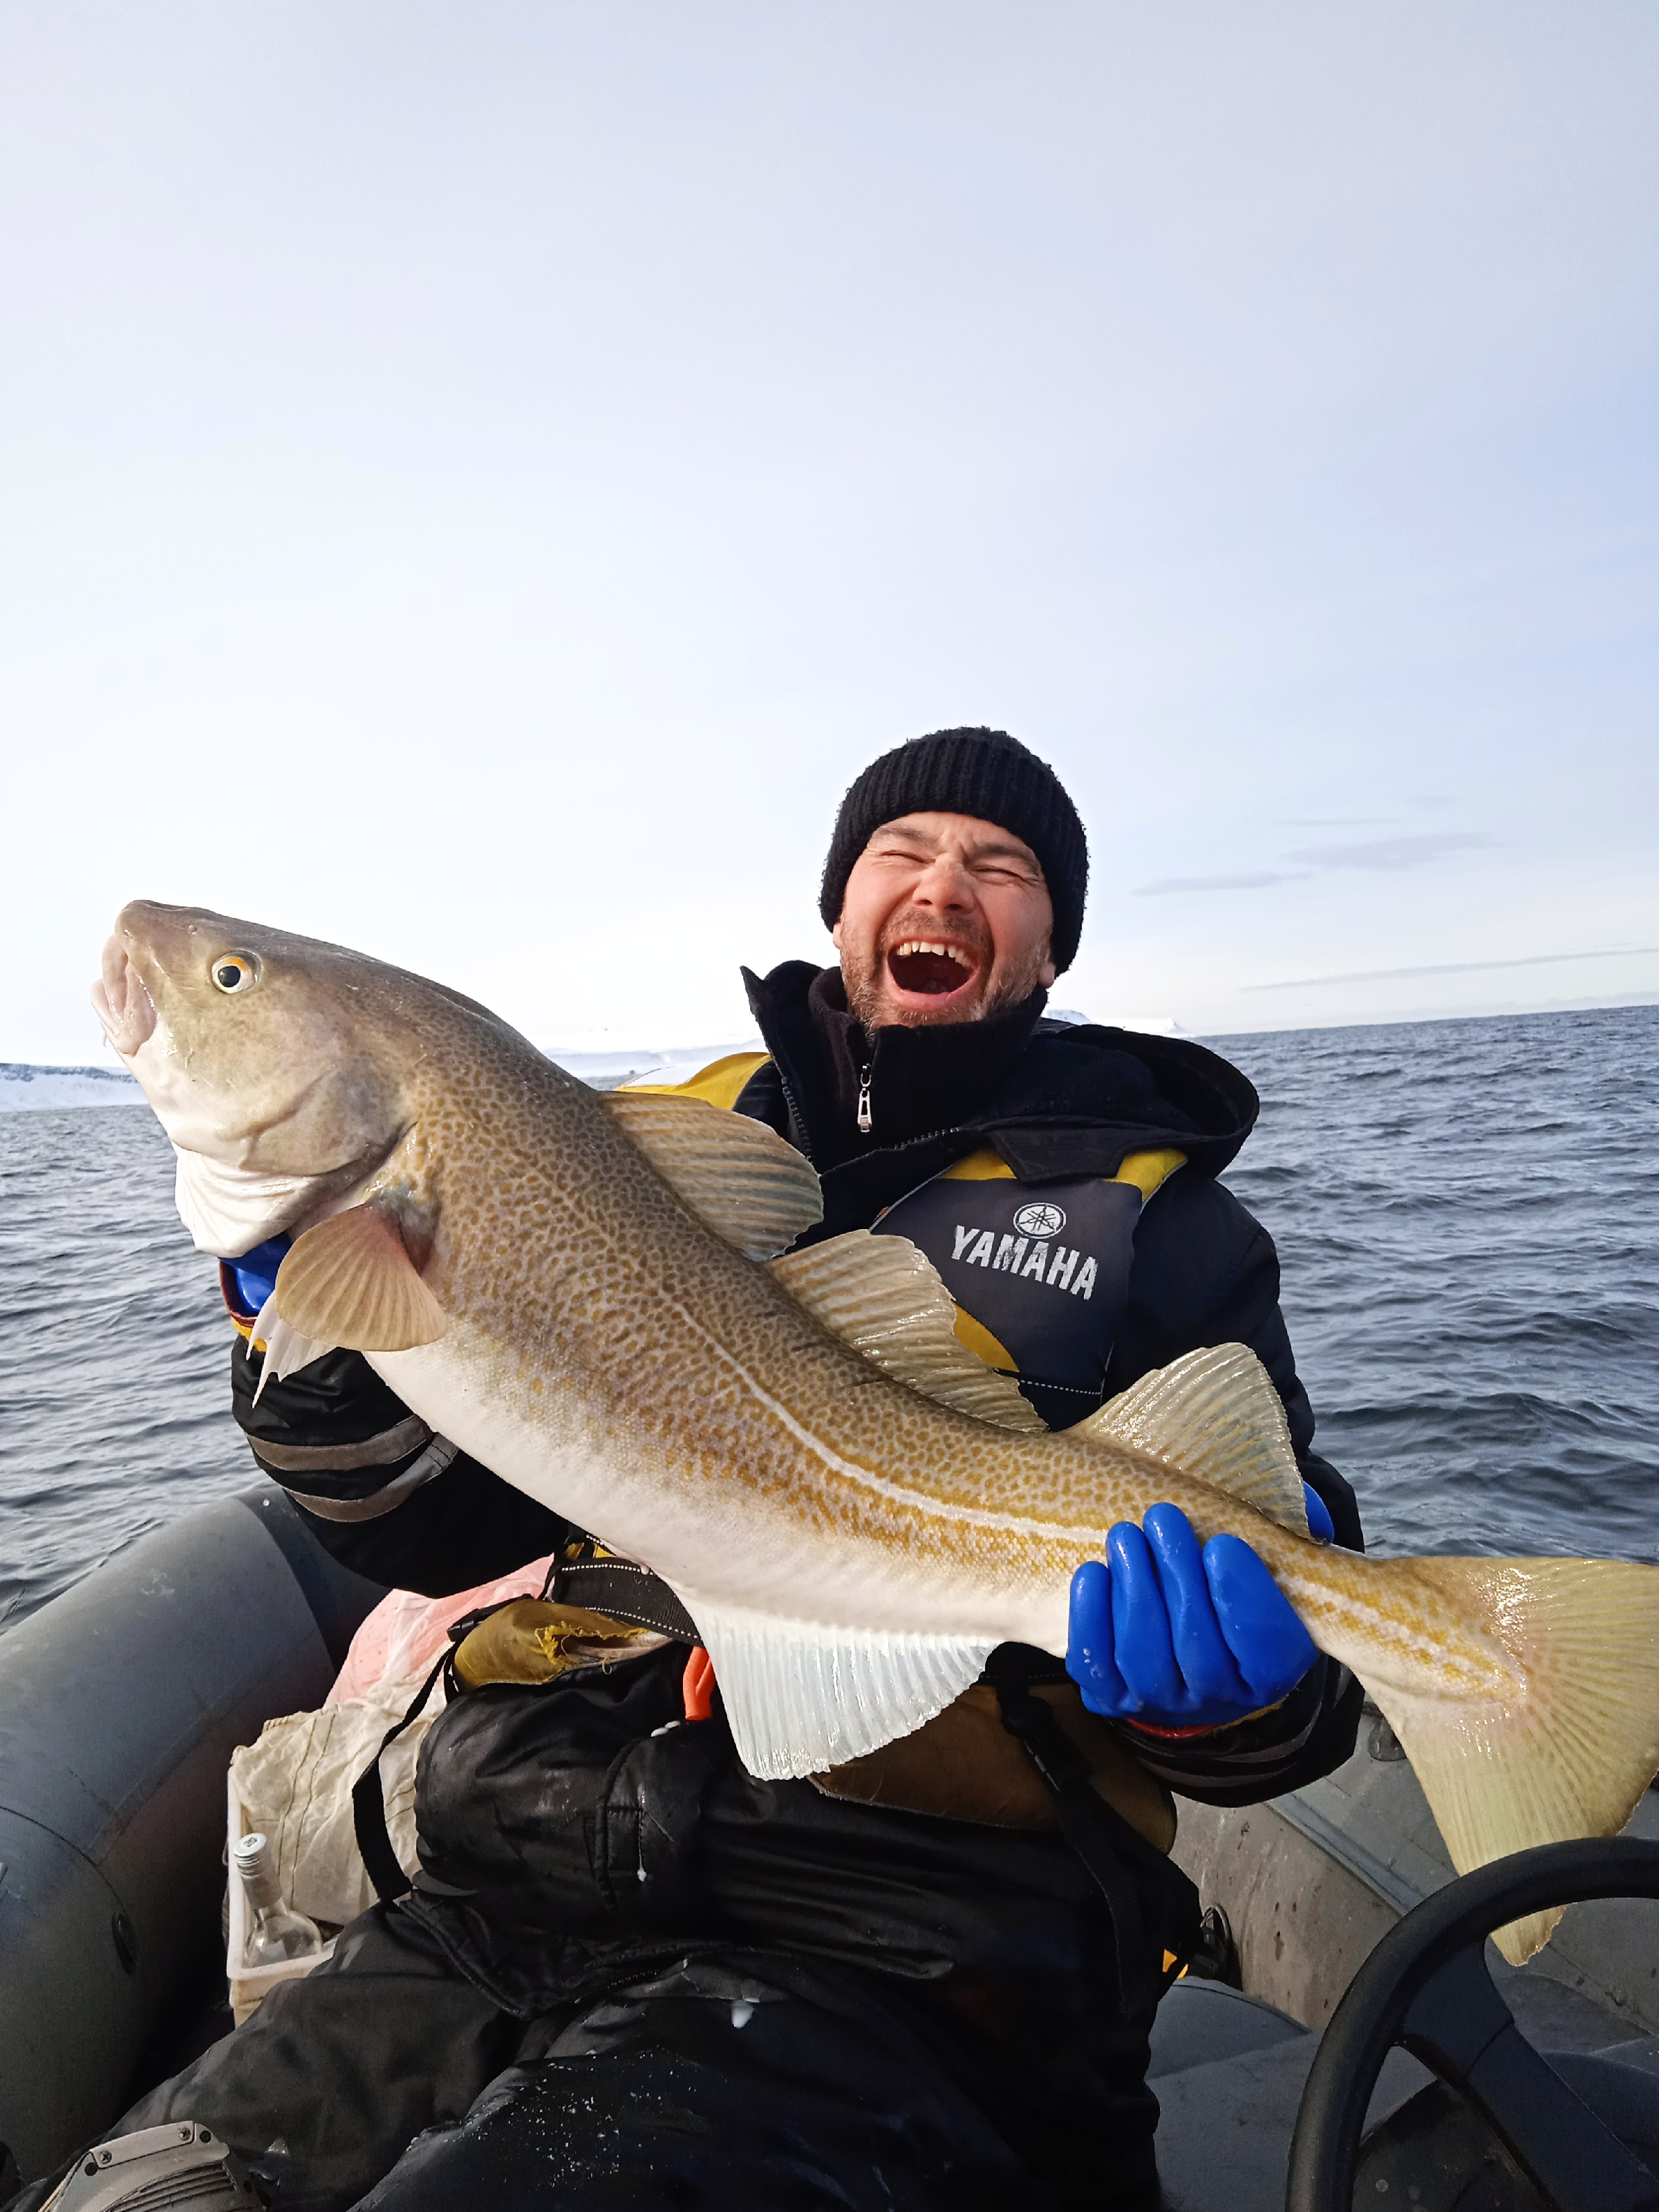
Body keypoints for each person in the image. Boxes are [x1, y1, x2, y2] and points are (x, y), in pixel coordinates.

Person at [72, 729, 1362, 2212]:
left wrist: (1243, 1696)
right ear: (841, 907)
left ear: (1050, 940)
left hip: (914, 1942)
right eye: (904, 852)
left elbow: (1298, 1710)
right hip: (519, 1870)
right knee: (147, 2189)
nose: (945, 883)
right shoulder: (663, 1134)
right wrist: (322, 1352)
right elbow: (430, 1528)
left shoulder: (1170, 1234)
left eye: (999, 867)